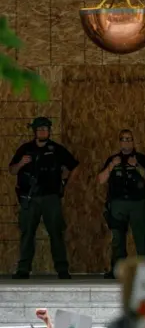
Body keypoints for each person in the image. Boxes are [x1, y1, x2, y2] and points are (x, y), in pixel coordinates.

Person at [9, 117, 79, 279]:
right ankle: (23, 269)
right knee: (27, 233)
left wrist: (64, 182)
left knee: (56, 233)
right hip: (30, 198)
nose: (42, 131)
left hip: (50, 198)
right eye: (40, 129)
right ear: (35, 131)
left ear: (49, 131)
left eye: (45, 129)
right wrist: (21, 163)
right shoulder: (25, 149)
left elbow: (74, 167)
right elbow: (12, 170)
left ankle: (62, 269)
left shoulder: (56, 149)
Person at [98, 129, 145, 279]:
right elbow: (101, 179)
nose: (126, 141)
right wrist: (111, 166)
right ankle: (117, 270)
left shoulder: (141, 158)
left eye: (129, 139)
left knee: (141, 238)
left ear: (133, 141)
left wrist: (137, 167)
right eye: (123, 139)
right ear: (119, 142)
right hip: (117, 204)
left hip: (137, 204)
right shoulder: (113, 159)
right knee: (117, 239)